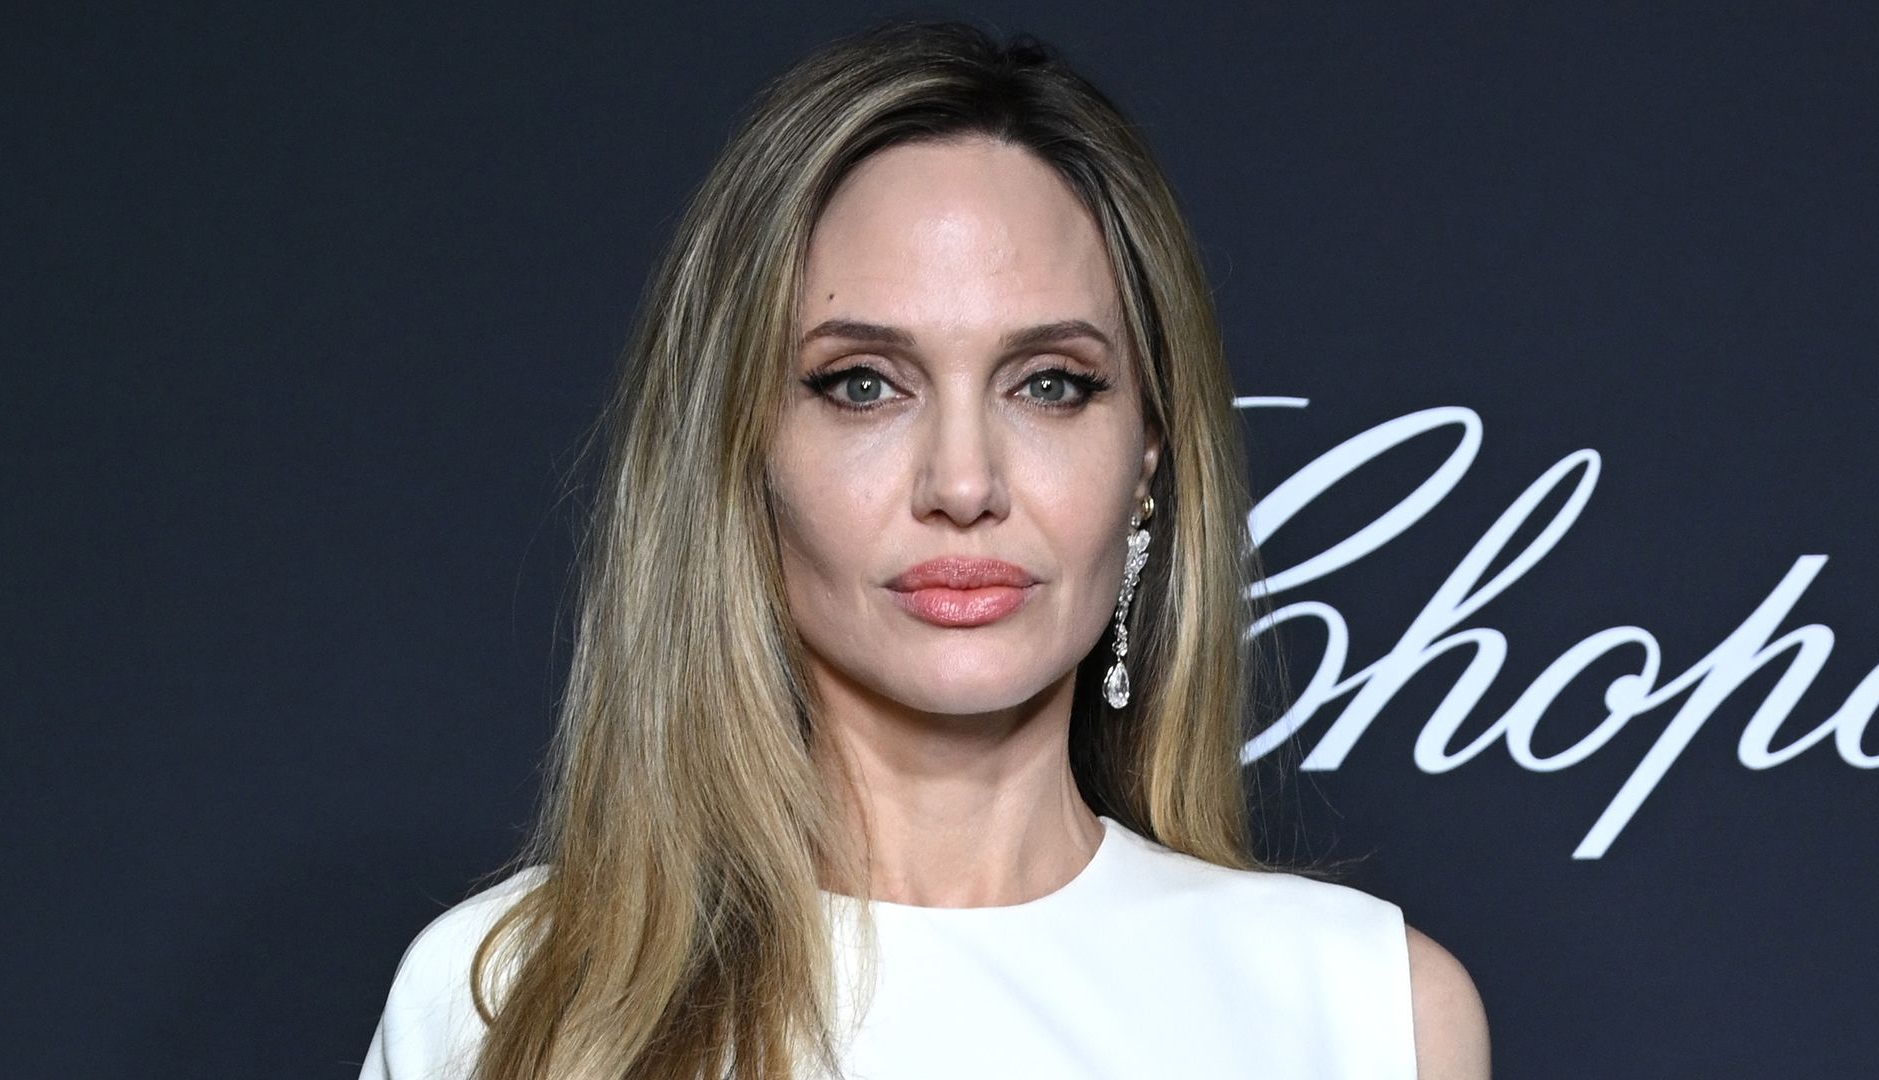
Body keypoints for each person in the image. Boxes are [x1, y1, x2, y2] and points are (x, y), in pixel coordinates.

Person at [358, 18, 1489, 1080]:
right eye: (863, 385)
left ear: (1148, 450)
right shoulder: (501, 999)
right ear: (742, 450)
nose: (963, 483)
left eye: (1050, 385)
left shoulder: (1364, 1013)